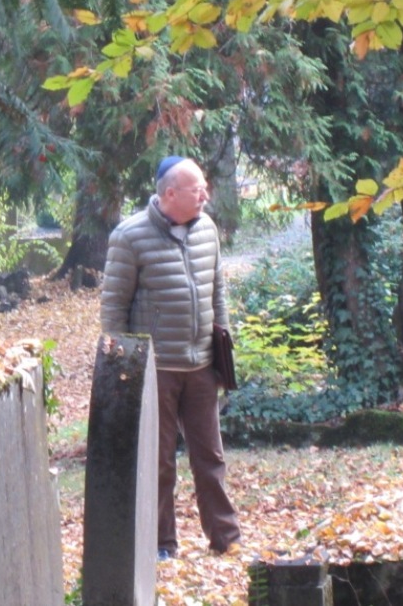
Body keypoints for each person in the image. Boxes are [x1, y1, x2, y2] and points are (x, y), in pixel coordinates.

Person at [100, 155, 242, 560]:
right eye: (197, 188)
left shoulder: (208, 230)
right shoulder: (129, 237)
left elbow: (218, 293)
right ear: (169, 194)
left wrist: (222, 347)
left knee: (210, 458)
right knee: (159, 462)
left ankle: (225, 538)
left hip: (201, 366)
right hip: (156, 369)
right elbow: (113, 311)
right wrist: (122, 370)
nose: (205, 195)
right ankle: (162, 544)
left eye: (205, 187)